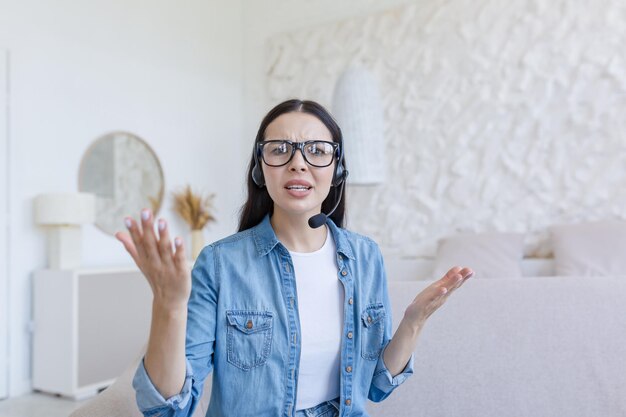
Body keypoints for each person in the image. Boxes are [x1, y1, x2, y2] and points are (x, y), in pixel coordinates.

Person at [115, 99, 474, 417]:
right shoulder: (220, 264)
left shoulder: (365, 256)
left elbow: (377, 386)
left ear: (338, 169)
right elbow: (168, 409)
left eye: (317, 150)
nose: (298, 163)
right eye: (280, 149)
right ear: (260, 168)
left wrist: (414, 321)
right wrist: (169, 306)